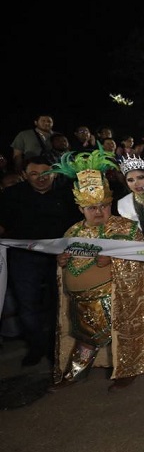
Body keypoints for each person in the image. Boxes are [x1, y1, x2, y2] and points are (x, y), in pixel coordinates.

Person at [48, 149, 144, 391]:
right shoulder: (73, 231)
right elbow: (66, 261)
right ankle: (74, 373)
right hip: (80, 300)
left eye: (104, 205)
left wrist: (114, 261)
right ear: (80, 209)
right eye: (91, 208)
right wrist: (61, 262)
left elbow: (142, 262)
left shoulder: (127, 228)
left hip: (115, 298)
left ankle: (127, 369)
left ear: (111, 203)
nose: (99, 212)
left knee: (122, 335)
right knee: (86, 339)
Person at [0, 156, 82, 366]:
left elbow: (80, 224)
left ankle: (58, 347)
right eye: (34, 174)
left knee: (61, 302)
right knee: (27, 304)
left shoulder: (67, 196)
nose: (40, 179)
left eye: (45, 174)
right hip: (24, 258)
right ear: (24, 175)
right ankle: (36, 346)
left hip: (61, 257)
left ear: (54, 174)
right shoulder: (11, 195)